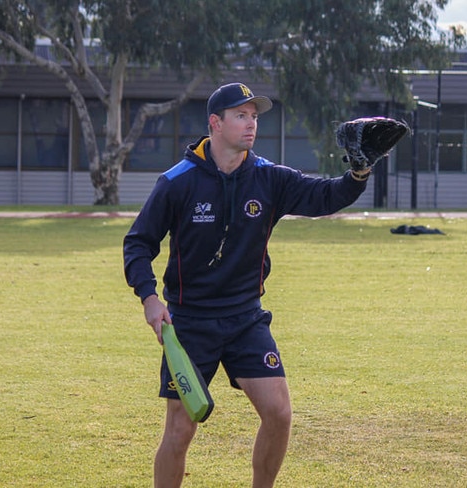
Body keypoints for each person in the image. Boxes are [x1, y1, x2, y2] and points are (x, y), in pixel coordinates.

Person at [123, 82, 371, 488]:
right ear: (215, 123)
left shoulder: (270, 178)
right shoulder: (177, 181)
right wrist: (150, 298)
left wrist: (359, 173)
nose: (251, 123)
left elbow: (325, 196)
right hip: (189, 324)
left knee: (279, 413)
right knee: (180, 431)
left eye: (254, 116)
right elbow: (138, 243)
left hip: (245, 320)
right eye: (241, 115)